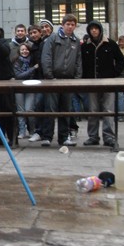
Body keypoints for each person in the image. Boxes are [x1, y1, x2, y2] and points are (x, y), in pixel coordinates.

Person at [80, 21, 124, 147]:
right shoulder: (85, 46)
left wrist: (114, 73)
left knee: (108, 110)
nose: (94, 31)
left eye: (96, 28)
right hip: (91, 83)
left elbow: (121, 60)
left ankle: (109, 137)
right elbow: (81, 63)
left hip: (108, 83)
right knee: (92, 110)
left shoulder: (110, 44)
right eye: (91, 29)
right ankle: (93, 136)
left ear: (100, 30)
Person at [40, 14, 82, 147]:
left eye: (72, 24)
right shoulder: (52, 38)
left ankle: (64, 137)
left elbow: (78, 61)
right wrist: (49, 76)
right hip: (53, 80)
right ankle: (47, 136)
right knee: (50, 109)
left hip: (68, 80)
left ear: (75, 26)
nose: (70, 27)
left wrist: (76, 78)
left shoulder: (76, 41)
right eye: (67, 24)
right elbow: (46, 57)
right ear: (62, 25)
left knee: (66, 110)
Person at [13, 42, 39, 139]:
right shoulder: (16, 61)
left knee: (29, 110)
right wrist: (32, 69)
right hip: (19, 88)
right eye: (22, 50)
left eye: (26, 49)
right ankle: (22, 131)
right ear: (19, 51)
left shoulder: (33, 60)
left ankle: (32, 131)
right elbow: (18, 76)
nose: (25, 51)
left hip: (30, 87)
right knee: (20, 111)